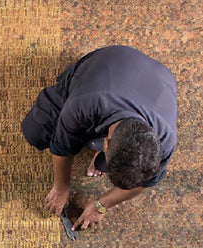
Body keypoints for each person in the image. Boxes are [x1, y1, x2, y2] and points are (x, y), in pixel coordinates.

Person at [21, 45, 177, 230]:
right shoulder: (86, 105)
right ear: (106, 142)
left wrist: (102, 205)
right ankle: (98, 150)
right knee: (35, 133)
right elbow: (61, 147)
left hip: (157, 76)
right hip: (107, 60)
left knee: (110, 163)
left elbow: (145, 182)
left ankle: (103, 156)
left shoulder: (165, 143)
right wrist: (60, 188)